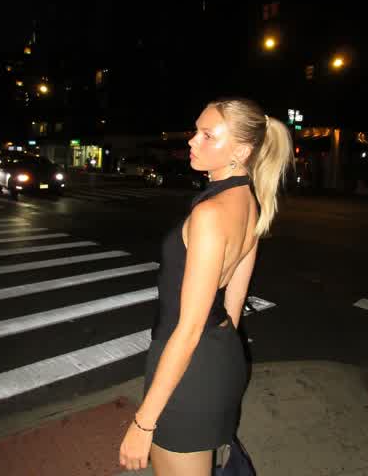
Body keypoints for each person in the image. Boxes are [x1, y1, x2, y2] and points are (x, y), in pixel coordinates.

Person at [119, 97, 293, 474]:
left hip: (189, 365)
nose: (192, 141)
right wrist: (220, 363)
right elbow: (234, 303)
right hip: (221, 356)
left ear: (241, 151)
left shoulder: (211, 213)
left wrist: (143, 423)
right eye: (196, 131)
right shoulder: (249, 202)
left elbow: (189, 327)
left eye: (207, 135)